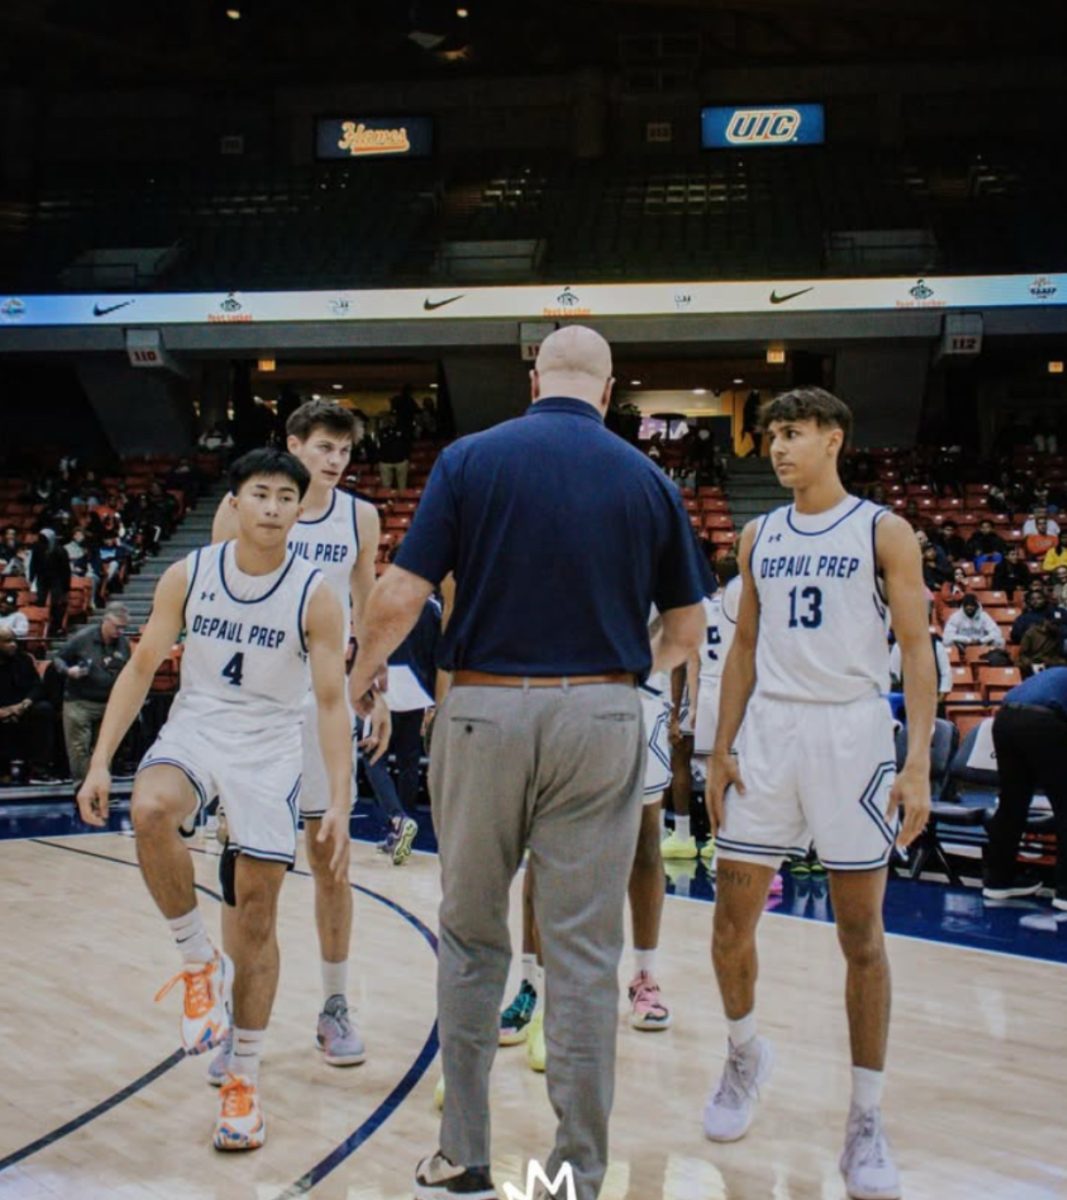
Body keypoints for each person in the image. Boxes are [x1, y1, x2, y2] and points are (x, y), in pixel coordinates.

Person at [349, 325, 706, 1200]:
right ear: (611, 385)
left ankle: (463, 1155)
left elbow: (402, 593)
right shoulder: (650, 480)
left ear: (534, 375)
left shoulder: (472, 458)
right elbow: (689, 631)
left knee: (472, 936)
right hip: (603, 711)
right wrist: (620, 674)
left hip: (482, 710)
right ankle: (580, 1173)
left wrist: (360, 678)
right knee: (585, 953)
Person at [76, 448, 353, 1150]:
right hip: (198, 727)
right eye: (257, 493)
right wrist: (100, 761)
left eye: (283, 497)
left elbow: (329, 702)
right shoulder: (189, 573)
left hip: (269, 750)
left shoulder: (317, 593)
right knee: (148, 808)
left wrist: (340, 801)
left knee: (255, 920)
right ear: (233, 501)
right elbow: (143, 666)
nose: (269, 507)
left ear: (298, 509)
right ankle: (196, 960)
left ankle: (243, 1084)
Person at [704, 387, 935, 1200]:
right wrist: (719, 747)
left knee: (859, 933)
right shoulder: (758, 533)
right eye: (771, 435)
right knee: (731, 922)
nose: (778, 448)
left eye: (793, 434)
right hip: (769, 734)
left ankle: (864, 1116)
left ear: (834, 439)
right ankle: (742, 1055)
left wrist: (916, 764)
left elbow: (914, 648)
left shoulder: (883, 530)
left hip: (851, 735)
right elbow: (741, 647)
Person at [211, 399, 388, 1074]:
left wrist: (377, 684)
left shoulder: (360, 517)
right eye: (323, 447)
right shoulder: (243, 512)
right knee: (248, 872)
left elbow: (367, 603)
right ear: (293, 445)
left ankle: (335, 1006)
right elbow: (216, 598)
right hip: (254, 708)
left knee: (328, 857)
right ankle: (238, 1018)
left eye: (343, 450)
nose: (334, 460)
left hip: (323, 705)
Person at [363, 592, 441, 865]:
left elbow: (372, 641)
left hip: (387, 684)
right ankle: (404, 827)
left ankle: (399, 819)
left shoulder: (390, 596)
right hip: (418, 688)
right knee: (409, 761)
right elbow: (437, 654)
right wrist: (433, 699)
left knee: (373, 756)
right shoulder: (433, 608)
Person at [981, 667, 1067, 911]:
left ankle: (998, 882)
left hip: (1005, 718)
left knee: (1011, 803)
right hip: (1044, 720)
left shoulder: (1055, 674)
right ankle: (1065, 893)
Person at [53, 603, 130, 785]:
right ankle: (82, 788)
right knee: (79, 749)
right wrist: (68, 671)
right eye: (117, 627)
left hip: (109, 703)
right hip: (80, 701)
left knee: (103, 750)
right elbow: (58, 658)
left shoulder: (124, 644)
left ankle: (101, 787)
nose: (120, 631)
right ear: (105, 621)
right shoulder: (82, 638)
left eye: (123, 628)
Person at [0, 626, 55, 783]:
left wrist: (23, 704)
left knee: (44, 709)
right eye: (7, 641)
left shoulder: (23, 659)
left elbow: (37, 686)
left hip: (22, 708)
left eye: (14, 641)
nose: (13, 645)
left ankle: (39, 770)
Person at [377, 415, 413, 491]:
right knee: (386, 489)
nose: (392, 420)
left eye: (394, 418)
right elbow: (383, 442)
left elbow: (408, 443)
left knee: (402, 488)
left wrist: (407, 458)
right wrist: (395, 436)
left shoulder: (403, 430)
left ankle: (402, 502)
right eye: (390, 418)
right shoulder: (382, 431)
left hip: (401, 461)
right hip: (385, 462)